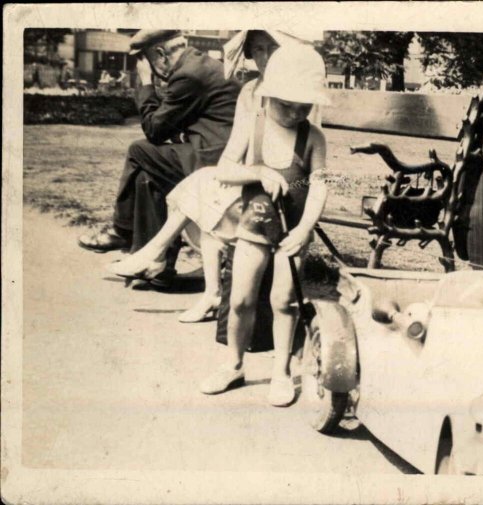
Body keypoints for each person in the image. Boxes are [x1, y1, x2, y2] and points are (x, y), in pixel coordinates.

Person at [105, 30, 310, 322]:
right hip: (251, 179)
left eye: (271, 49)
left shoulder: (298, 94)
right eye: (258, 50)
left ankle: (156, 253)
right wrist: (252, 172)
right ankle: (201, 287)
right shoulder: (251, 91)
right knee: (201, 185)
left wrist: (262, 174)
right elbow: (233, 157)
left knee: (196, 183)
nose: (264, 58)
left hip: (285, 187)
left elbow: (306, 165)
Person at [197, 44, 330, 406]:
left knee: (283, 301)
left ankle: (281, 371)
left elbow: (318, 187)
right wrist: (257, 171)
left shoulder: (313, 138)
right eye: (287, 105)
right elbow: (224, 169)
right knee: (240, 299)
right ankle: (233, 364)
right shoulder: (253, 127)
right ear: (269, 96)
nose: (295, 113)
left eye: (304, 108)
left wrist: (304, 230)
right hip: (252, 230)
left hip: (293, 235)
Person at [78, 30, 241, 288]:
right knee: (146, 175)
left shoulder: (190, 75)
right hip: (214, 151)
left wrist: (145, 83)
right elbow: (169, 121)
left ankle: (122, 232)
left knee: (138, 151)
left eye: (146, 62)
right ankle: (155, 268)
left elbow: (154, 130)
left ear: (161, 54)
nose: (150, 69)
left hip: (216, 160)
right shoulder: (197, 66)